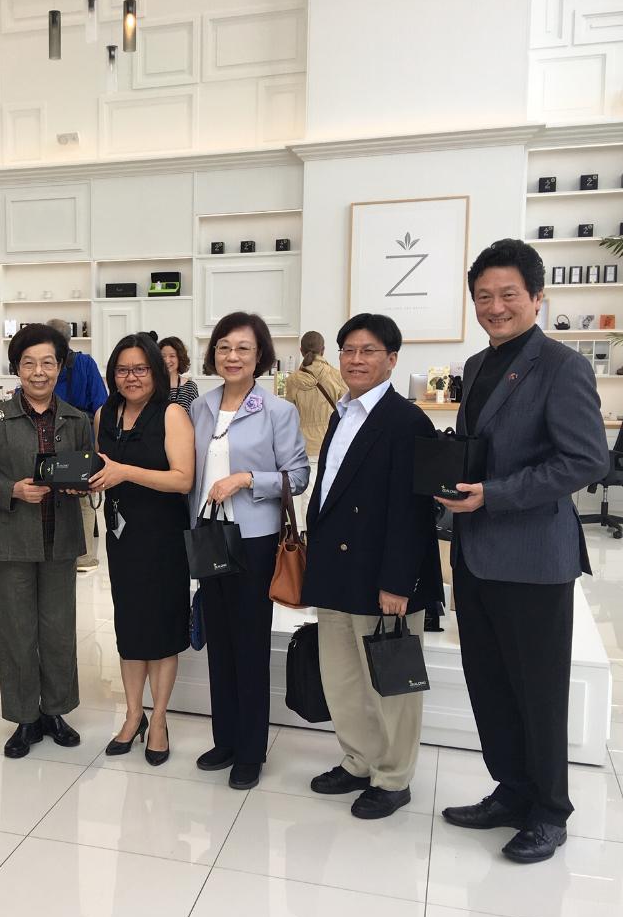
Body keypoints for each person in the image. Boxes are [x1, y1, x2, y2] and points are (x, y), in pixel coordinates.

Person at [437, 238, 607, 863]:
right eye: (483, 296)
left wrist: (496, 495)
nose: (495, 306)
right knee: (490, 684)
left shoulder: (562, 366)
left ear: (537, 298)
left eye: (508, 294)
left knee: (539, 690)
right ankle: (511, 791)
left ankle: (550, 811)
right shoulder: (477, 365)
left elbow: (586, 460)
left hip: (534, 557)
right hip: (476, 553)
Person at [301, 313, 443, 819]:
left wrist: (397, 583)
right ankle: (359, 760)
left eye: (368, 351)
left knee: (390, 682)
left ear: (391, 359)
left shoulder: (407, 422)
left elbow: (413, 512)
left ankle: (393, 777)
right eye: (348, 350)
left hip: (383, 576)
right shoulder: (342, 413)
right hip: (337, 570)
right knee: (343, 679)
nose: (356, 360)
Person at [189, 311, 309, 790]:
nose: (232, 356)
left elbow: (297, 476)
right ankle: (225, 740)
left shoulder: (277, 410)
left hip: (255, 540)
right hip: (210, 535)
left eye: (242, 348)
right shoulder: (202, 406)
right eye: (224, 347)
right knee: (218, 640)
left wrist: (246, 479)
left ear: (260, 356)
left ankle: (251, 750)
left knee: (250, 644)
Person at [0, 324, 90, 758]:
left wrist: (82, 483)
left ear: (60, 367)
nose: (39, 372)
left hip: (61, 540)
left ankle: (55, 711)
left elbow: (88, 473)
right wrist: (13, 490)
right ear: (17, 368)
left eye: (48, 363)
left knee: (59, 630)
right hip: (11, 540)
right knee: (16, 631)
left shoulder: (76, 419)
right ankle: (24, 717)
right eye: (29, 363)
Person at [90, 334, 194, 765]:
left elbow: (183, 479)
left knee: (162, 630)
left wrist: (125, 472)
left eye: (139, 369)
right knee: (130, 628)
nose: (130, 377)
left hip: (164, 537)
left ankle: (160, 719)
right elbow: (100, 468)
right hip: (122, 537)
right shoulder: (105, 414)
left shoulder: (171, 414)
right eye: (122, 370)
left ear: (155, 371)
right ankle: (134, 716)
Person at [45, 318, 107, 574]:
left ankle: (53, 553)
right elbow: (101, 405)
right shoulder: (85, 363)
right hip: (82, 436)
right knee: (83, 495)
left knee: (48, 491)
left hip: (47, 433)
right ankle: (84, 557)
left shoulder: (45, 364)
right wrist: (99, 446)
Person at [283, 330, 348, 529]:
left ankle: (303, 533)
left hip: (303, 443)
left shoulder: (293, 380)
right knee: (330, 490)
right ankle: (323, 531)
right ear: (323, 350)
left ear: (301, 350)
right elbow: (346, 409)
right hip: (332, 440)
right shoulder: (336, 375)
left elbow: (289, 413)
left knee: (305, 491)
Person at [159, 336, 200, 410]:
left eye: (172, 356)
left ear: (180, 358)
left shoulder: (190, 387)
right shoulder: (153, 386)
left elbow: (196, 414)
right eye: (163, 356)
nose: (167, 360)